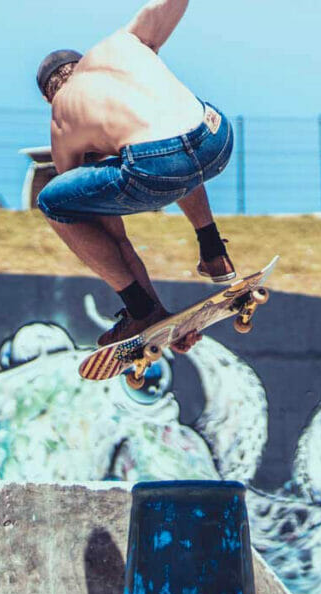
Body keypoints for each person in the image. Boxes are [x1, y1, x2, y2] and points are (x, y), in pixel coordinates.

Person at [35, 0, 235, 351]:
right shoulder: (123, 43)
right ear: (79, 63)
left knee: (53, 203)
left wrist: (148, 312)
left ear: (48, 94)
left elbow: (113, 235)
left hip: (156, 166)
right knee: (170, 123)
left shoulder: (61, 117)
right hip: (216, 138)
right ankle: (213, 249)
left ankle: (141, 309)